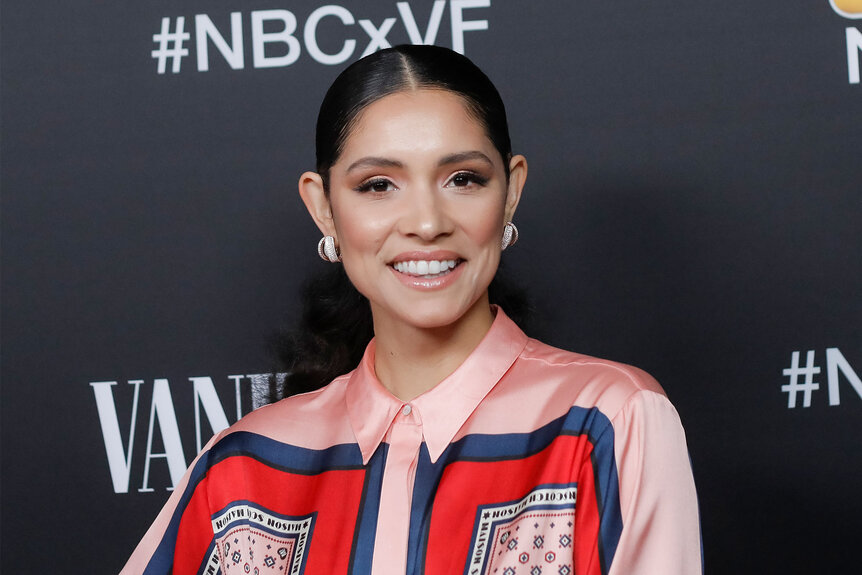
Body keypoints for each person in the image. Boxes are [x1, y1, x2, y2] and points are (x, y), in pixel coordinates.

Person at [121, 45, 702, 575]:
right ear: (323, 208)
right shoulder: (242, 472)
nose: (426, 223)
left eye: (463, 179)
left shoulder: (606, 421)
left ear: (512, 190)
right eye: (378, 185)